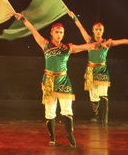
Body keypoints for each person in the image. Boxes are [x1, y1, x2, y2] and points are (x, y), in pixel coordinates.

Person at [13, 12, 98, 148]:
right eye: (57, 32)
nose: (59, 34)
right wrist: (23, 19)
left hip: (63, 80)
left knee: (67, 109)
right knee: (50, 110)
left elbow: (85, 46)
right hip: (48, 81)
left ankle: (69, 134)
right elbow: (33, 30)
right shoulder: (45, 44)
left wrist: (96, 45)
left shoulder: (68, 48)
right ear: (52, 33)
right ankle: (52, 137)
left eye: (61, 32)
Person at [68, 12, 128, 123]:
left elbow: (122, 41)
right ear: (93, 30)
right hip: (90, 70)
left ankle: (104, 118)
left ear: (103, 31)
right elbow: (80, 28)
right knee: (93, 95)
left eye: (100, 30)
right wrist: (74, 17)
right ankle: (97, 115)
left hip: (102, 70)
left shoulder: (108, 43)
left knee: (103, 93)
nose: (98, 31)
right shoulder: (89, 41)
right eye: (96, 29)